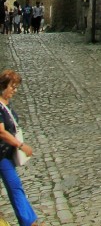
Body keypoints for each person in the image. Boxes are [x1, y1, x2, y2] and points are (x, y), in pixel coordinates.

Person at [0, 69, 44, 226]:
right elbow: (1, 132)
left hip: (5, 155)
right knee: (15, 186)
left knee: (15, 187)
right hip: (1, 156)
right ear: (4, 86)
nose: (14, 90)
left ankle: (28, 221)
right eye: (13, 87)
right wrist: (21, 145)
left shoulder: (7, 105)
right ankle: (29, 222)